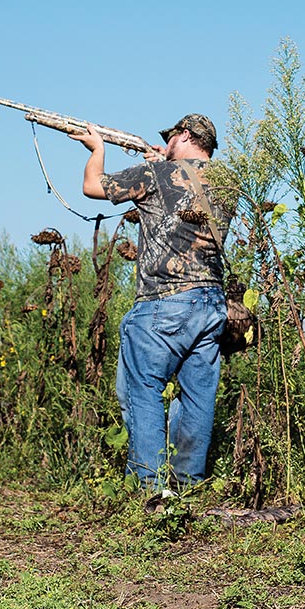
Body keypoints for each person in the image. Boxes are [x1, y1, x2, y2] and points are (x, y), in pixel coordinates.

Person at [71, 113, 234, 495]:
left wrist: (98, 149)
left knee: (142, 389)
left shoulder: (157, 176)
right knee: (196, 398)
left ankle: (149, 488)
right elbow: (187, 200)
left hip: (164, 301)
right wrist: (163, 162)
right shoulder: (228, 184)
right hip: (211, 302)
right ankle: (185, 487)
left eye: (171, 137)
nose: (166, 142)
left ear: (185, 135)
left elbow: (93, 187)